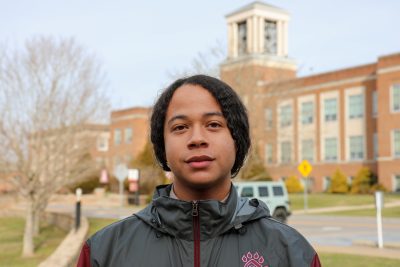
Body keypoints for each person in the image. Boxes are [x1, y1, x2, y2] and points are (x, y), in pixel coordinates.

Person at [77, 75, 321, 267]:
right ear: (162, 146)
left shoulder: (291, 251)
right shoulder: (105, 251)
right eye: (180, 127)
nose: (197, 139)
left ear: (237, 139)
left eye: (213, 125)